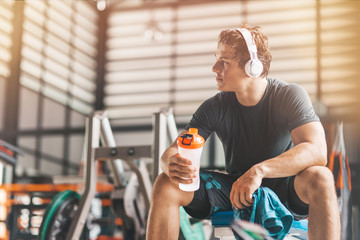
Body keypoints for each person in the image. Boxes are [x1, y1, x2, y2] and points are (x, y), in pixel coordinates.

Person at [146, 24, 340, 240]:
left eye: (224, 62)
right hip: (235, 192)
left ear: (252, 67)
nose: (214, 68)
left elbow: (317, 151)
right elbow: (175, 149)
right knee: (165, 184)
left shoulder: (289, 95)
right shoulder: (214, 106)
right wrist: (170, 163)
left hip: (285, 189)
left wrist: (258, 171)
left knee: (321, 176)